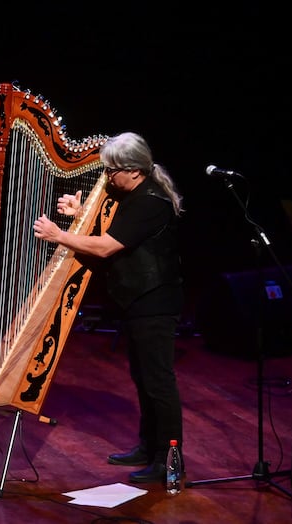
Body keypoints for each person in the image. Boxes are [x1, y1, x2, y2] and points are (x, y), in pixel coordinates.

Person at [32, 131, 184, 484]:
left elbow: (105, 247)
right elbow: (110, 229)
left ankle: (169, 460)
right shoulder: (130, 193)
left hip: (155, 300)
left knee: (159, 381)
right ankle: (149, 447)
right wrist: (79, 213)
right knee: (142, 377)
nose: (107, 177)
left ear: (133, 170)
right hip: (136, 299)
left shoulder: (151, 202)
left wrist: (60, 235)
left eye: (112, 170)